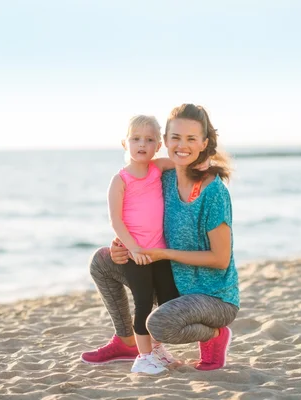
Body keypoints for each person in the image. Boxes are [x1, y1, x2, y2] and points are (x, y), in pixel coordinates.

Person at [81, 104, 239, 371]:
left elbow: (221, 259)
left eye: (191, 139)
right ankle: (126, 342)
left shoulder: (213, 192)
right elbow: (137, 217)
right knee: (101, 261)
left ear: (204, 143)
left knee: (157, 323)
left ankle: (216, 336)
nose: (182, 145)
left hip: (212, 297)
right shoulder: (162, 178)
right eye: (176, 137)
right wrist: (122, 245)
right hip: (173, 279)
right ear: (164, 142)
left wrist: (163, 254)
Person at [87, 115, 180, 374]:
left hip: (158, 252)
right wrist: (133, 248)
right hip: (134, 253)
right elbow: (115, 220)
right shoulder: (121, 180)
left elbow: (183, 160)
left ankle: (157, 348)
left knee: (167, 300)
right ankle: (143, 357)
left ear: (158, 145)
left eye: (149, 140)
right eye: (136, 139)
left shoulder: (157, 168)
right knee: (142, 302)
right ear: (124, 143)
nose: (142, 144)